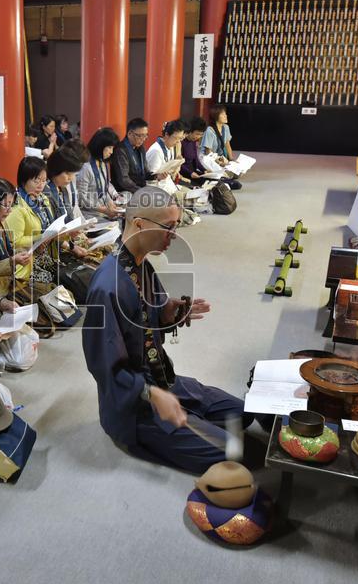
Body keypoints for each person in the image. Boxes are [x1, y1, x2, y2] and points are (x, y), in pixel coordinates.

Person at [82, 186, 258, 473]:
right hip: (133, 405)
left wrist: (167, 314)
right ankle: (167, 423)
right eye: (169, 227)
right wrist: (151, 394)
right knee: (234, 453)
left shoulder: (141, 265)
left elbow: (150, 320)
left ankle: (186, 414)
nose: (174, 236)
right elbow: (104, 367)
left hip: (163, 376)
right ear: (139, 224)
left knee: (244, 413)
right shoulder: (106, 286)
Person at [4, 156, 64, 297]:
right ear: (24, 179)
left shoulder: (42, 199)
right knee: (53, 280)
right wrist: (40, 238)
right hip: (27, 262)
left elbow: (51, 226)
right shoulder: (17, 206)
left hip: (47, 254)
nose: (41, 185)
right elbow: (14, 242)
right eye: (36, 180)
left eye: (44, 181)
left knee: (65, 276)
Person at [75, 127, 124, 220]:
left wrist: (110, 203)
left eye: (113, 148)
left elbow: (104, 189)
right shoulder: (86, 167)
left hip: (101, 213)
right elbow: (81, 199)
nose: (111, 152)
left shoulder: (103, 163)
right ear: (100, 145)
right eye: (109, 147)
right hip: (89, 216)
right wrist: (104, 210)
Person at [112, 118, 152, 193]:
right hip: (125, 191)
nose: (143, 139)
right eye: (140, 136)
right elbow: (124, 180)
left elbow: (145, 172)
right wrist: (140, 191)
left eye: (145, 135)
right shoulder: (120, 150)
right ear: (130, 133)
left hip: (140, 189)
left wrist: (156, 176)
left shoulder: (141, 148)